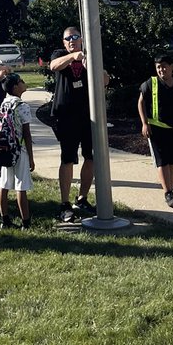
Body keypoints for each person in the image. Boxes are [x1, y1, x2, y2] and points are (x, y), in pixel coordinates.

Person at [49, 26, 108, 223]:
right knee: (68, 158)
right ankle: (64, 204)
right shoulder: (60, 55)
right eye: (68, 39)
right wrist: (73, 57)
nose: (72, 41)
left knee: (91, 157)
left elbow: (105, 80)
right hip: (66, 116)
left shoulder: (88, 56)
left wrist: (90, 63)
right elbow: (54, 66)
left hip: (87, 116)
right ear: (64, 42)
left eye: (75, 37)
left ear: (82, 39)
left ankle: (81, 198)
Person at [138, 54, 173, 207]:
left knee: (172, 161)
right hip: (155, 129)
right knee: (162, 161)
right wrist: (144, 123)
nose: (162, 69)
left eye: (164, 66)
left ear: (172, 67)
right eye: (158, 67)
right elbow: (140, 103)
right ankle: (167, 193)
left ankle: (171, 189)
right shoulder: (150, 84)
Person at [0, 73, 34, 230]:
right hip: (19, 150)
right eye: (21, 81)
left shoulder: (3, 103)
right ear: (15, 87)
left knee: (3, 184)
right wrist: (31, 157)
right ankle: (25, 221)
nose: (24, 83)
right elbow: (27, 133)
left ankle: (4, 220)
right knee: (21, 185)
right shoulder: (22, 106)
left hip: (4, 149)